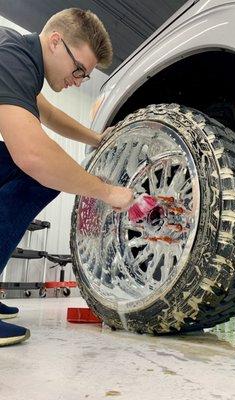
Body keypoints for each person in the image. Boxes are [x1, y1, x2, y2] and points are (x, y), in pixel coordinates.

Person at [0, 8, 134, 347]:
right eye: (78, 70)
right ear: (56, 42)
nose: (77, 81)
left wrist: (97, 138)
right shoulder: (10, 55)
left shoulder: (21, 60)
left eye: (84, 76)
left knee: (35, 176)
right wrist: (106, 192)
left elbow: (48, 114)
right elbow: (32, 154)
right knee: (37, 172)